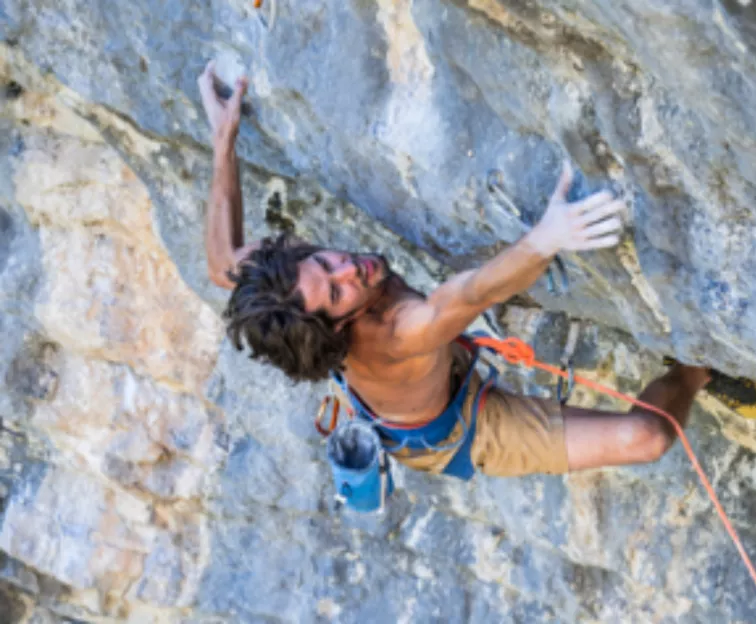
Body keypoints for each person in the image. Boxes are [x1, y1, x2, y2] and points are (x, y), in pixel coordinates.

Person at [197, 61, 711, 481]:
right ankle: (696, 371)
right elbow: (470, 294)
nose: (349, 269)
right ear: (337, 326)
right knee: (646, 438)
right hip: (458, 430)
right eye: (336, 292)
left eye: (327, 262)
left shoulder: (289, 278)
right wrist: (547, 238)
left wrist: (224, 141)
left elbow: (224, 264)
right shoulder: (400, 330)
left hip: (426, 377)